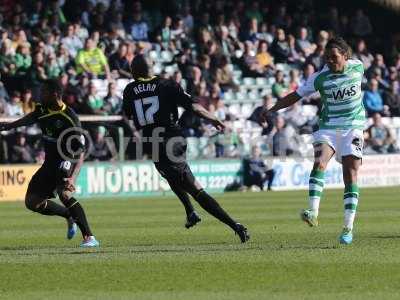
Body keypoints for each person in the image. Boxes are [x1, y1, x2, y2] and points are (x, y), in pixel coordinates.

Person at [122, 55, 249, 243]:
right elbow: (193, 107)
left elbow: (128, 115)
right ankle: (190, 211)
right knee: (171, 176)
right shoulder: (167, 85)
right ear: (152, 67)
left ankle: (234, 225)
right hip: (172, 140)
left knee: (194, 188)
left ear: (135, 70)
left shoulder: (129, 90)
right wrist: (212, 118)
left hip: (155, 142)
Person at [262, 37, 365, 245]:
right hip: (328, 128)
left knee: (350, 175)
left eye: (334, 57)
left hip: (353, 127)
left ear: (345, 56)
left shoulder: (358, 67)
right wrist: (273, 109)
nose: (330, 61)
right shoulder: (319, 78)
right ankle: (312, 211)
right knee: (319, 162)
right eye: (327, 58)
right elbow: (295, 96)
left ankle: (347, 228)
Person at [0, 79, 99, 247]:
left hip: (65, 160)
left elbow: (80, 152)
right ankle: (69, 215)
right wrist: (8, 126)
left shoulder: (70, 119)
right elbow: (30, 118)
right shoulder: (42, 108)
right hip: (49, 163)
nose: (40, 95)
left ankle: (89, 237)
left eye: (44, 92)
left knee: (65, 194)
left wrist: (73, 178)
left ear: (55, 95)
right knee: (32, 202)